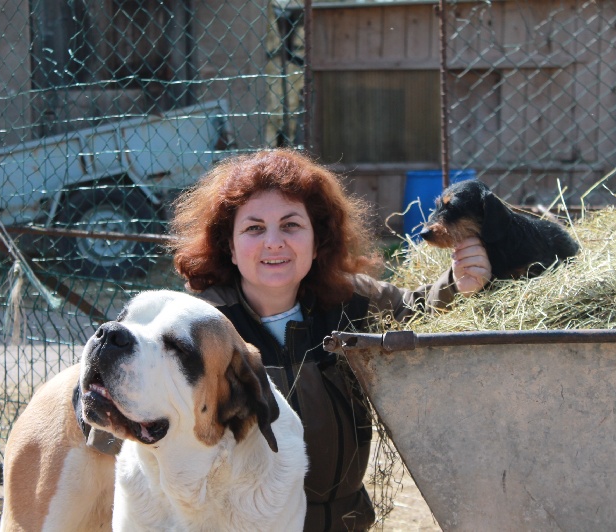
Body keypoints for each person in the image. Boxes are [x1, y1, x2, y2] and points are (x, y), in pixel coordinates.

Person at [170, 148, 491, 531]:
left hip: (342, 521)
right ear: (230, 247)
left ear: (318, 240)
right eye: (254, 228)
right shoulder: (199, 327)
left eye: (291, 225)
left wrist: (459, 281)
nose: (274, 242)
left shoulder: (352, 300)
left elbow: (418, 310)